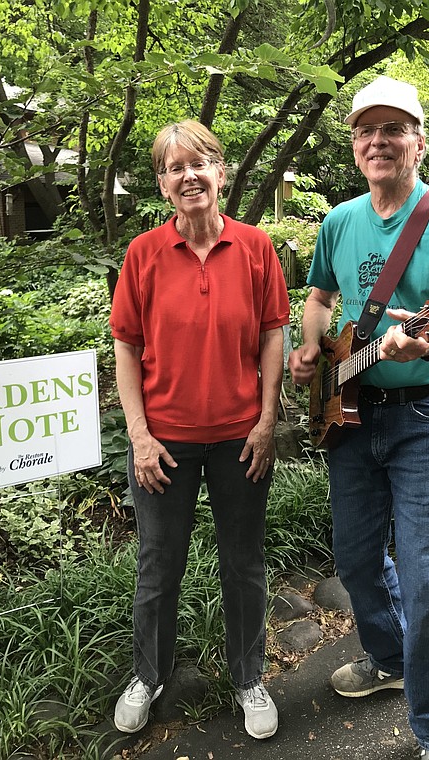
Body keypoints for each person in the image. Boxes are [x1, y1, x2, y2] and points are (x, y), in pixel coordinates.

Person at [289, 76, 429, 760]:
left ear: (418, 142)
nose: (378, 140)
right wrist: (313, 344)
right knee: (354, 559)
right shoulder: (341, 221)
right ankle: (387, 657)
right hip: (350, 413)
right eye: (365, 130)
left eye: (393, 129)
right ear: (354, 145)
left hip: (425, 418)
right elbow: (319, 296)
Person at [109, 120, 290, 741]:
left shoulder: (257, 249)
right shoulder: (144, 255)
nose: (189, 176)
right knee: (159, 564)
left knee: (243, 563)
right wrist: (138, 434)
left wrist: (268, 422)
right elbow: (126, 349)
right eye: (174, 167)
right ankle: (149, 674)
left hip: (242, 439)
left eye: (200, 162)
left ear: (222, 171)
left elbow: (273, 336)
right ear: (162, 185)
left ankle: (249, 678)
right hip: (165, 444)